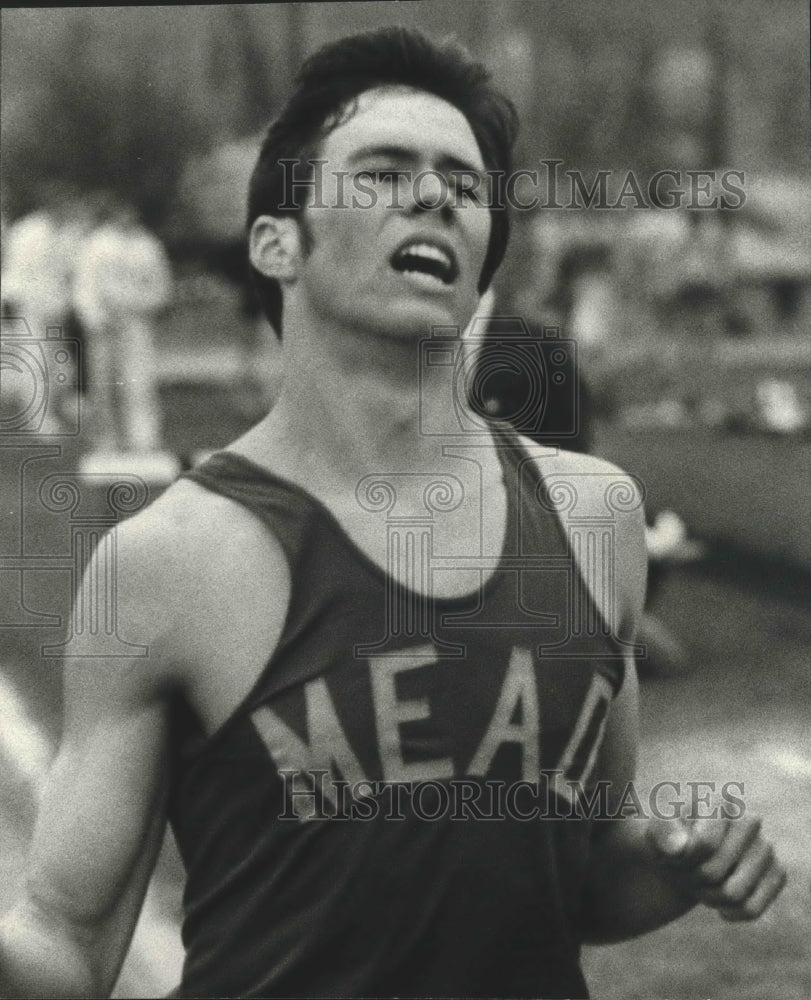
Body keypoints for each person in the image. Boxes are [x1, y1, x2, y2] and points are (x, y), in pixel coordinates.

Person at [0, 27, 786, 999]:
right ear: (276, 241)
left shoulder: (595, 515)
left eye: (464, 182)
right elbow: (67, 939)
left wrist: (672, 867)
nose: (435, 195)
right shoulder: (165, 562)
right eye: (382, 171)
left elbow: (582, 866)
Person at [73, 196, 173, 453]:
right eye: (122, 210)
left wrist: (144, 306)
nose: (127, 215)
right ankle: (106, 442)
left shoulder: (148, 245)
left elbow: (162, 288)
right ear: (113, 212)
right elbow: (84, 287)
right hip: (104, 323)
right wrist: (95, 318)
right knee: (104, 386)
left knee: (139, 383)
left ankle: (144, 440)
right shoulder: (97, 244)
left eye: (132, 210)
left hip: (137, 322)